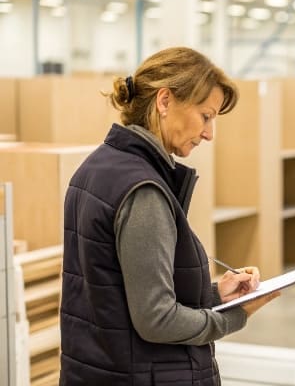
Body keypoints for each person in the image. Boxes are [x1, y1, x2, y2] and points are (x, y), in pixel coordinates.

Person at [59, 47, 280, 385]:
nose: (209, 133)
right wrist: (235, 316)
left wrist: (215, 295)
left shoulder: (96, 167)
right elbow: (157, 319)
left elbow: (118, 294)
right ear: (164, 101)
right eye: (206, 116)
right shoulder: (143, 190)